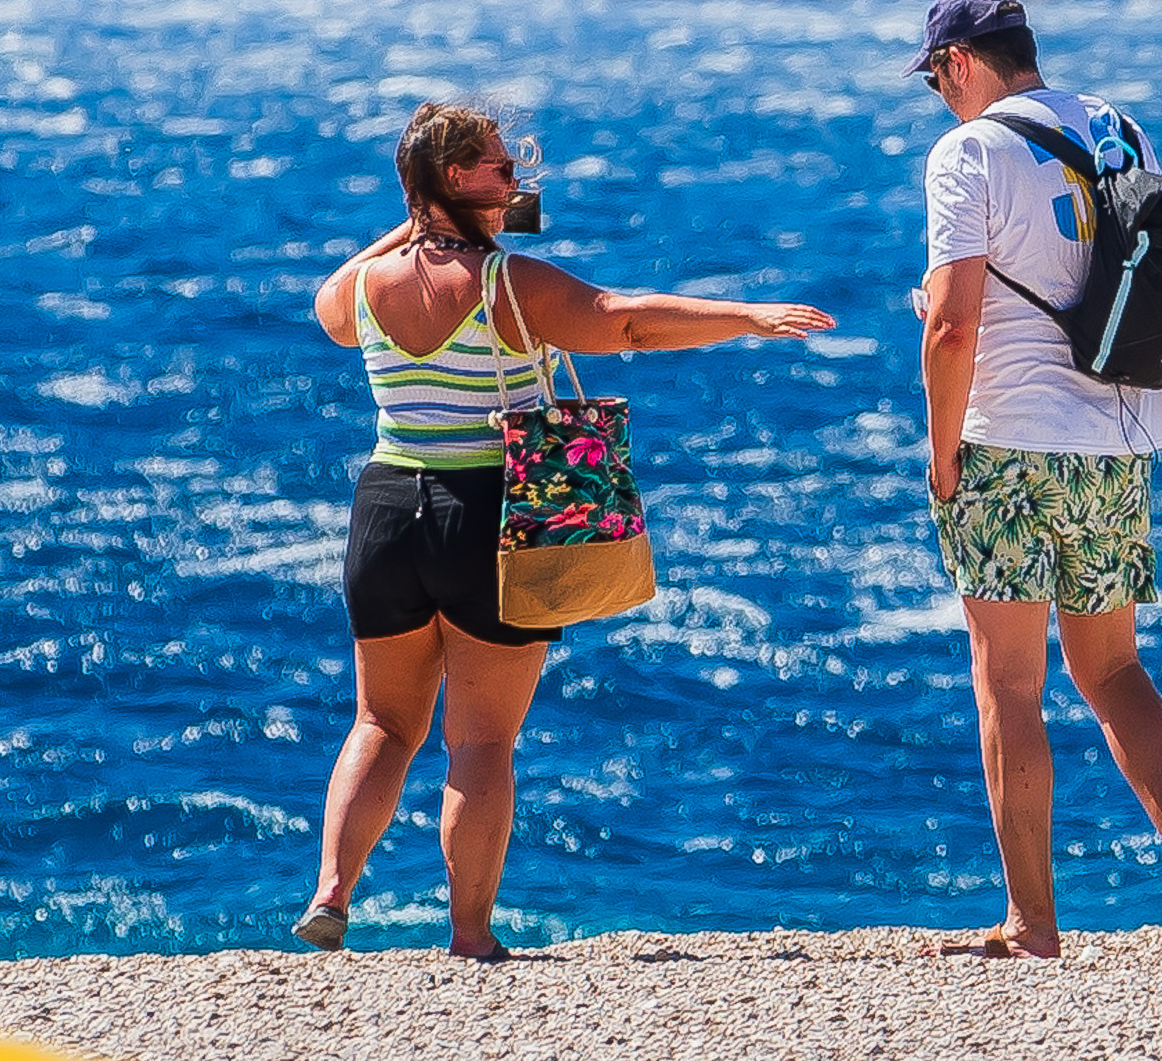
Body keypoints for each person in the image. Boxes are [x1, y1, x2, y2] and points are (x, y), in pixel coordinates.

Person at [299, 99, 832, 961]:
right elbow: (624, 319)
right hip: (490, 512)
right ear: (455, 178)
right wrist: (750, 314)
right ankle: (469, 932)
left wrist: (413, 222)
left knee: (381, 724)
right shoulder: (510, 283)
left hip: (387, 509)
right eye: (501, 170)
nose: (517, 183)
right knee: (479, 739)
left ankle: (330, 891)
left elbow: (330, 300)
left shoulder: (356, 290)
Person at [909, 0, 1162, 957]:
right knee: (1112, 668)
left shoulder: (967, 151)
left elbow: (950, 321)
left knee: (1008, 687)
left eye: (937, 76)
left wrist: (941, 454)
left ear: (961, 62)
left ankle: (1032, 925)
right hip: (1118, 434)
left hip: (1010, 438)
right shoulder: (1118, 129)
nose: (940, 96)